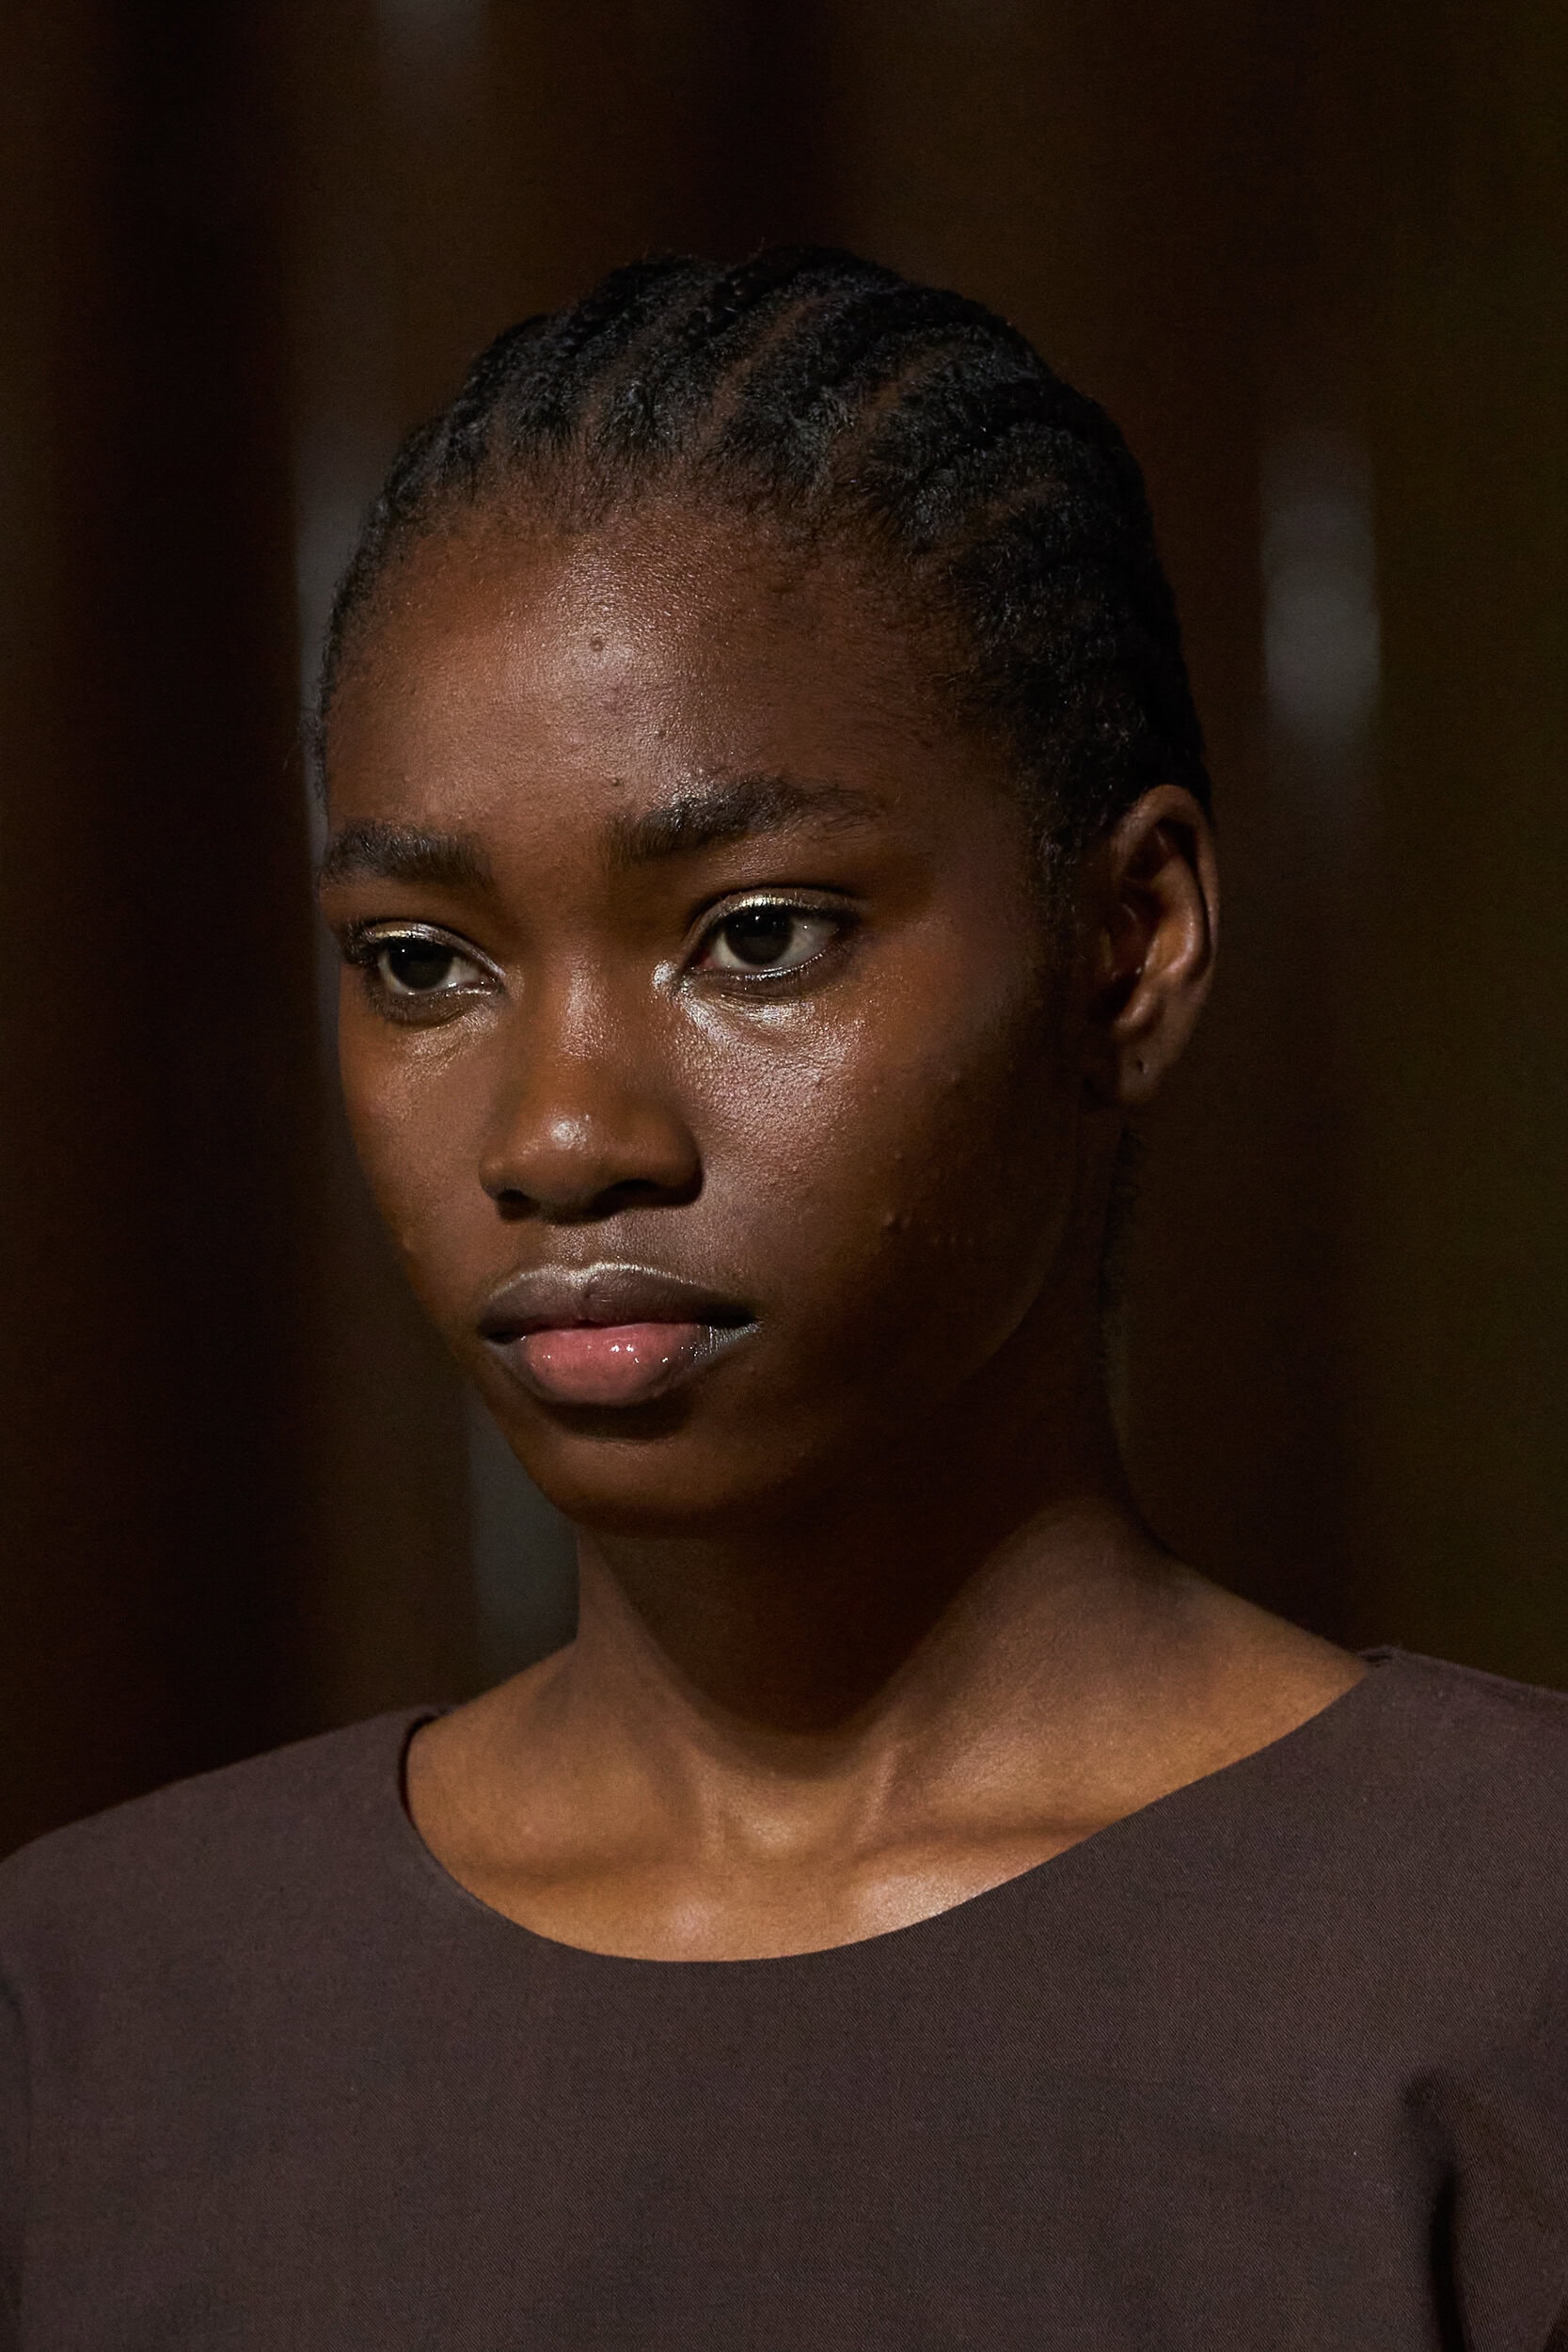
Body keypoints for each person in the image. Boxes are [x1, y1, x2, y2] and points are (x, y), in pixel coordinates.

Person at [2, 247, 1565, 2349]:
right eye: (421, 964)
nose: (561, 1136)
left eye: (754, 937)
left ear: (1128, 943)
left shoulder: (1506, 1968)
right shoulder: (93, 2026)